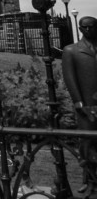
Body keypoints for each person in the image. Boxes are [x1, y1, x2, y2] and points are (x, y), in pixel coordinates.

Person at [62, 15, 97, 189]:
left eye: (92, 27)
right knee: (87, 143)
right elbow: (70, 78)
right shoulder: (71, 51)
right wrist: (78, 102)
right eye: (85, 27)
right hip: (87, 105)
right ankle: (89, 179)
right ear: (80, 29)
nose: (89, 30)